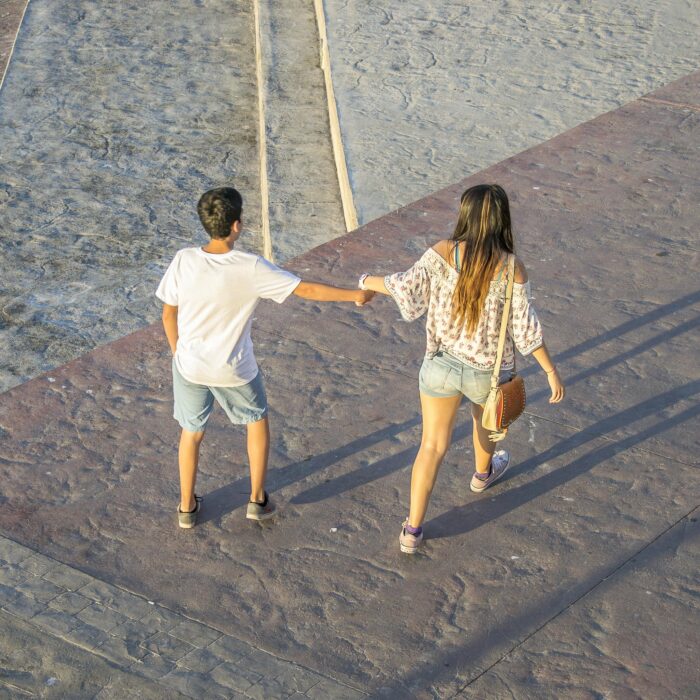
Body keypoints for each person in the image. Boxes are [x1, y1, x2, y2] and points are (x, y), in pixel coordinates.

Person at [358, 184, 565, 553]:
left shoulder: (442, 252)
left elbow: (404, 288)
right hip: (485, 373)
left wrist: (366, 282)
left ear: (465, 215)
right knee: (483, 421)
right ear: (502, 219)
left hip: (439, 366)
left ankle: (412, 530)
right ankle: (482, 475)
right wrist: (550, 371)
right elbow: (524, 329)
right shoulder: (512, 268)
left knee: (432, 446)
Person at [156, 187, 374, 529]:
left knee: (191, 432)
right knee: (256, 422)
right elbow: (306, 289)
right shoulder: (250, 267)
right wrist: (355, 295)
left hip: (190, 365)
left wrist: (177, 353)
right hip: (234, 369)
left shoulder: (184, 259)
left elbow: (169, 314)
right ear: (237, 225)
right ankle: (257, 499)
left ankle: (186, 507)